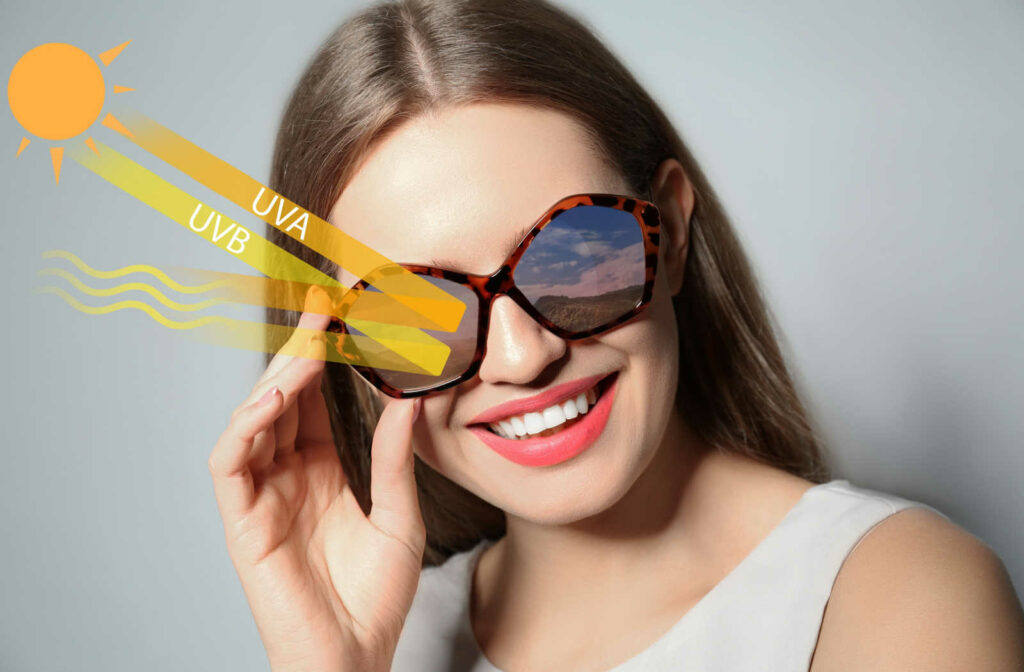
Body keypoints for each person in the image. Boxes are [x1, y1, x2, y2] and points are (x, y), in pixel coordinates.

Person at [207, 0, 1024, 670]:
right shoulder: (387, 646)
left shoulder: (900, 595)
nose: (524, 357)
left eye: (574, 256)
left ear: (666, 227)